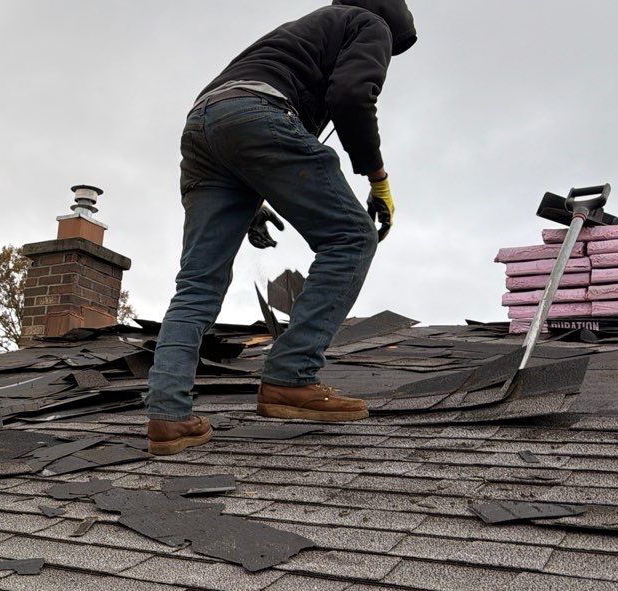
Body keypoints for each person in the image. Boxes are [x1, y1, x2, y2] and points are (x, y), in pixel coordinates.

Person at [144, 0, 418, 456]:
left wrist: (252, 198)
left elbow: (232, 118)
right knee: (351, 237)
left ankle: (168, 417)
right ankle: (290, 377)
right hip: (258, 116)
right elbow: (350, 95)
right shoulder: (370, 23)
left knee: (197, 283)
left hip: (204, 126)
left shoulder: (297, 33)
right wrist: (377, 178)